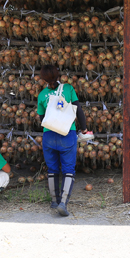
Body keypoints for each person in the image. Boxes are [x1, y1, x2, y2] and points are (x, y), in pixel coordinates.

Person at [37, 65, 93, 216]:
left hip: (49, 136)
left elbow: (42, 119)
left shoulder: (42, 95)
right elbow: (78, 110)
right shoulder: (68, 89)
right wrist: (84, 129)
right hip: (66, 134)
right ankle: (63, 203)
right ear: (58, 75)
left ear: (43, 79)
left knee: (52, 169)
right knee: (68, 169)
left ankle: (54, 201)